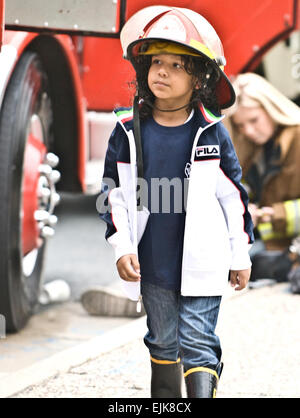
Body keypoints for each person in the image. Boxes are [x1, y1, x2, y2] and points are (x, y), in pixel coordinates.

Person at [98, 6, 253, 398]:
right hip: (152, 265)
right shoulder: (127, 131)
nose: (162, 72)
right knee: (163, 342)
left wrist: (240, 256)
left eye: (176, 65)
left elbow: (234, 199)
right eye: (156, 63)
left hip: (205, 263)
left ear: (200, 78)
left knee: (198, 342)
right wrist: (121, 248)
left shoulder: (211, 133)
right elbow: (112, 195)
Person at [225, 73, 300, 282]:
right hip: (272, 246)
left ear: (271, 108)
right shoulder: (252, 151)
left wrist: (268, 215)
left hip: (286, 248)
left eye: (254, 120)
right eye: (240, 125)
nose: (248, 131)